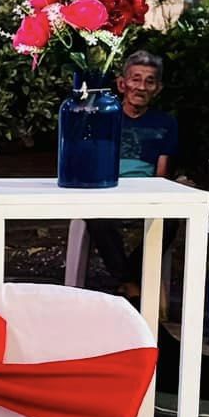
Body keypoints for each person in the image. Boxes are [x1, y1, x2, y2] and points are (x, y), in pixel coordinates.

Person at [87, 50, 178, 297]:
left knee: (171, 221)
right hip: (107, 190)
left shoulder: (166, 123)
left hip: (145, 193)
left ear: (158, 88)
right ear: (121, 84)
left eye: (150, 81)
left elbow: (161, 173)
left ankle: (128, 280)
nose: (141, 87)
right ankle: (132, 284)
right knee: (95, 217)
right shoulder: (104, 117)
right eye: (135, 79)